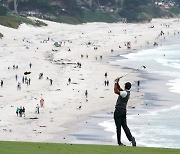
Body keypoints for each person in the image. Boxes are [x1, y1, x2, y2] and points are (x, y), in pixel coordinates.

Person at [113, 77, 136, 146]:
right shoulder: (127, 93)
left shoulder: (124, 93)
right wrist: (117, 82)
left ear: (126, 86)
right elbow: (119, 89)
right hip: (123, 111)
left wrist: (114, 83)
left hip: (118, 111)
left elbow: (116, 91)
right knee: (124, 126)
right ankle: (131, 139)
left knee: (118, 127)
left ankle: (119, 142)